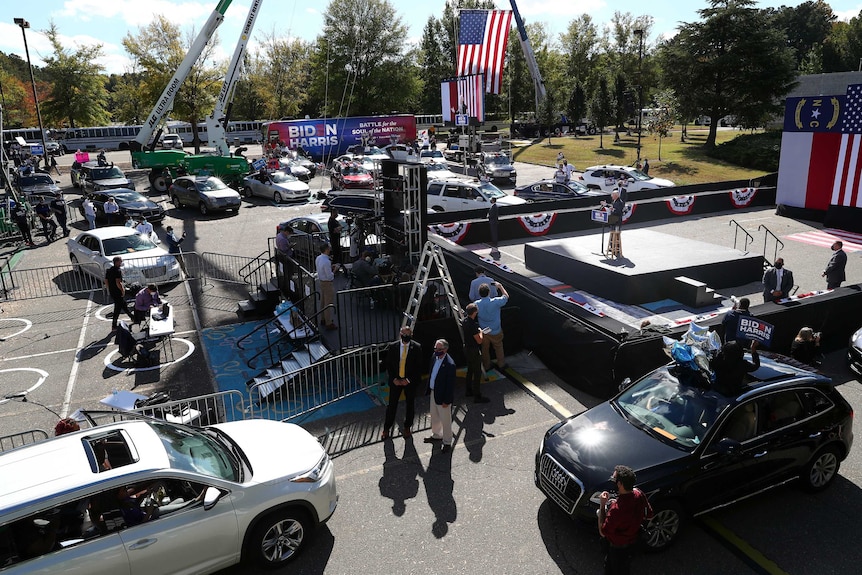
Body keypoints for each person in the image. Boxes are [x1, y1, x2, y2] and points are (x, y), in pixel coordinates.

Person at [598, 465, 653, 575]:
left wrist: (602, 506)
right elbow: (650, 515)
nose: (613, 481)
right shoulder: (638, 493)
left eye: (614, 479)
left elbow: (603, 532)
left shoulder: (616, 510)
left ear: (620, 484)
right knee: (625, 568)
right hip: (633, 543)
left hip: (617, 549)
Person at [382, 326, 424, 439]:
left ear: (411, 335)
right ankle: (386, 428)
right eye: (404, 334)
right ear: (400, 334)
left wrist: (408, 380)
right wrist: (394, 379)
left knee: (410, 405)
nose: (406, 336)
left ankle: (407, 427)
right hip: (396, 380)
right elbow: (389, 364)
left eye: (408, 334)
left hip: (409, 381)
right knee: (392, 405)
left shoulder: (416, 347)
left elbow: (418, 366)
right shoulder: (393, 346)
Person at [425, 339, 456, 452]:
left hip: (443, 396)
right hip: (434, 392)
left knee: (446, 420)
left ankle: (447, 442)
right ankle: (437, 435)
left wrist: (446, 401)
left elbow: (450, 385)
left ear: (446, 349)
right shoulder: (434, 357)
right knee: (434, 415)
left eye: (439, 349)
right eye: (435, 349)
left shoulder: (450, 364)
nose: (437, 351)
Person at [476, 281, 509, 371]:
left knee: (485, 349)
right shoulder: (495, 302)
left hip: (484, 331)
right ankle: (501, 364)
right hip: (495, 330)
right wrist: (500, 286)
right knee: (498, 347)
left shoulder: (476, 304)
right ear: (489, 292)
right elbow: (506, 296)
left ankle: (486, 366)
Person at [462, 303, 488, 402]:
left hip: (467, 349)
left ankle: (468, 390)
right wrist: (481, 332)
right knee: (477, 372)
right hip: (473, 350)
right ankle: (477, 395)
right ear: (475, 312)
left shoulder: (464, 321)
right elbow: (479, 341)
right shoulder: (474, 325)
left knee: (470, 370)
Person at [104, 257, 133, 331]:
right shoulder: (117, 271)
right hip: (117, 292)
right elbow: (118, 282)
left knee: (124, 305)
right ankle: (114, 326)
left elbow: (106, 281)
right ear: (117, 262)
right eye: (120, 261)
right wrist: (122, 290)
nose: (121, 262)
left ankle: (132, 317)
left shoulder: (109, 270)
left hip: (112, 291)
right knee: (117, 309)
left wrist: (109, 289)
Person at [315, 244, 337, 329]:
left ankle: (323, 318)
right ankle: (328, 323)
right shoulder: (327, 261)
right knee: (328, 303)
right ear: (327, 250)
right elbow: (330, 276)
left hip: (321, 281)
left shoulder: (318, 258)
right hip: (327, 283)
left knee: (323, 302)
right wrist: (334, 270)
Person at [275, 225, 296, 300]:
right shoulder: (283, 239)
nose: (289, 235)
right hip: (286, 258)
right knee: (288, 272)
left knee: (285, 272)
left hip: (283, 256)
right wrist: (290, 246)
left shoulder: (279, 235)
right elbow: (284, 249)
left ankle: (287, 284)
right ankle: (288, 287)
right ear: (287, 232)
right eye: (289, 233)